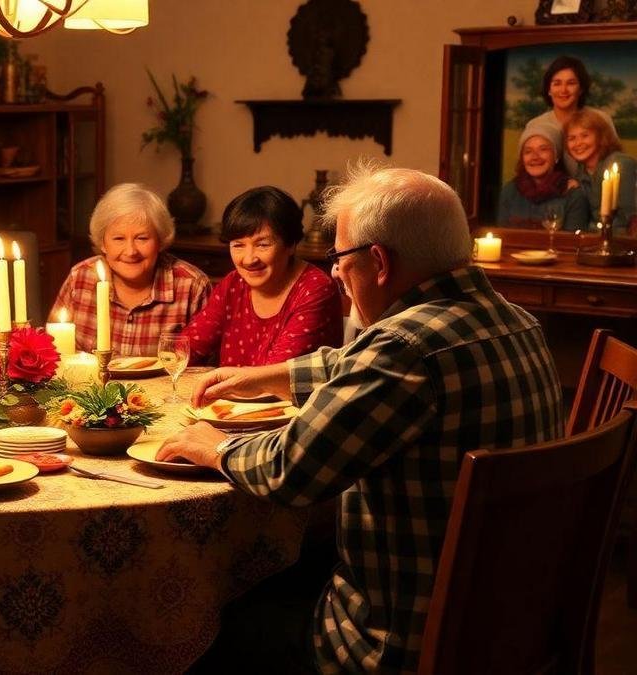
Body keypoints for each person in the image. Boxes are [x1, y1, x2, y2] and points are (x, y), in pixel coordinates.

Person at [158, 165, 562, 673]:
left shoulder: (403, 349)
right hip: (506, 617)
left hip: (394, 640)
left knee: (205, 622)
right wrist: (262, 377)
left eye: (339, 257)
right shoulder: (512, 318)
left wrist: (210, 446)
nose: (333, 273)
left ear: (378, 261)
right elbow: (354, 366)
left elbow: (289, 470)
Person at [182, 186, 342, 366]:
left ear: (291, 244)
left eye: (263, 245)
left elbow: (276, 374)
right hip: (232, 392)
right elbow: (187, 349)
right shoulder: (234, 283)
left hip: (290, 394)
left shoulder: (315, 288)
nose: (249, 259)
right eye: (238, 245)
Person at [49, 183, 212, 356]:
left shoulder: (192, 286)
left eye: (142, 238)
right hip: (89, 383)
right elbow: (52, 349)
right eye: (118, 238)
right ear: (103, 244)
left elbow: (207, 367)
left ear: (160, 241)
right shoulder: (80, 277)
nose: (131, 251)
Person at [529, 55, 617, 176]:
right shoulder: (535, 125)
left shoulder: (601, 118)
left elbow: (616, 163)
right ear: (549, 89)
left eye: (571, 83)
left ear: (581, 89)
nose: (563, 90)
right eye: (557, 83)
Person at [497, 118, 590, 230]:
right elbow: (503, 236)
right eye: (528, 151)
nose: (535, 157)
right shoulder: (509, 191)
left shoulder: (573, 195)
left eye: (543, 149)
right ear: (522, 158)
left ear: (556, 157)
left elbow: (574, 244)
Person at [565, 108, 636, 232]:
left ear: (601, 137)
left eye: (585, 135)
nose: (578, 143)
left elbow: (629, 220)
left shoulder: (621, 165)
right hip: (594, 242)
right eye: (572, 138)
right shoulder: (580, 172)